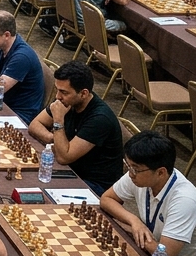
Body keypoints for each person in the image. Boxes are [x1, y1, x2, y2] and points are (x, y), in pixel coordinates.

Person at [100, 131, 196, 256]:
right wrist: (134, 221)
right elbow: (106, 199)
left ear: (161, 172)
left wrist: (132, 230)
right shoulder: (140, 175)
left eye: (135, 169)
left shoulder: (184, 200)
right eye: (128, 166)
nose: (130, 173)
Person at [29, 61, 124, 195]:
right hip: (70, 170)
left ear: (83, 94)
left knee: (37, 189)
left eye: (63, 92)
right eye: (57, 90)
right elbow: (34, 124)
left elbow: (63, 157)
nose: (57, 96)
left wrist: (58, 122)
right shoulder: (65, 101)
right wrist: (54, 139)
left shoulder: (100, 119)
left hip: (94, 185)